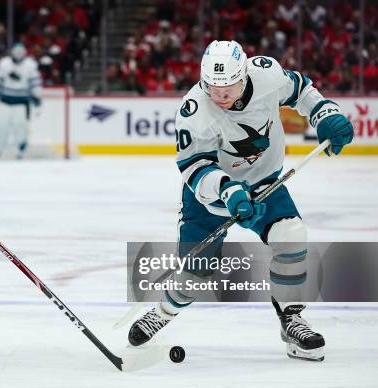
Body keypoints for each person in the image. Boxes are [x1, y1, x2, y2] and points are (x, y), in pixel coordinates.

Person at [128, 41, 354, 361]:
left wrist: (324, 113)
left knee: (290, 234)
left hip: (265, 182)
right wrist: (228, 191)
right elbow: (194, 167)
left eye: (228, 87)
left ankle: (291, 319)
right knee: (196, 273)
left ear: (244, 75)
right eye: (212, 87)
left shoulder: (267, 75)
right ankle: (164, 311)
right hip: (210, 195)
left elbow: (301, 90)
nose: (219, 96)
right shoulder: (194, 110)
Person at [0, 43, 42, 159]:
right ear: (11, 52)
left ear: (25, 53)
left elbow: (35, 83)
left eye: (20, 52)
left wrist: (37, 97)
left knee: (21, 127)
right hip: (5, 100)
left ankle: (21, 147)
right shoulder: (4, 63)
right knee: (0, 125)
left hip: (22, 103)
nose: (18, 55)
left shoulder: (30, 65)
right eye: (16, 52)